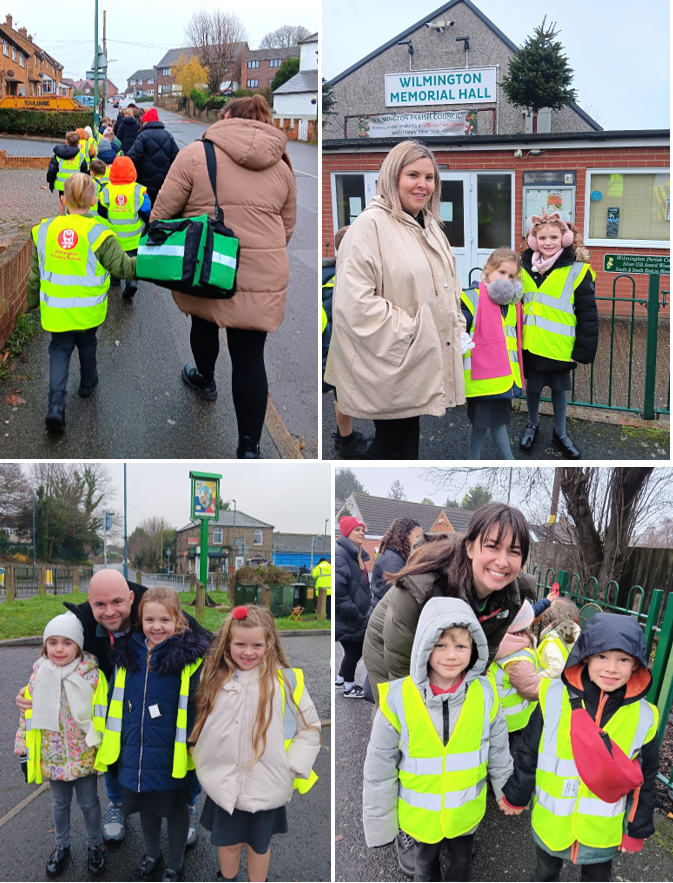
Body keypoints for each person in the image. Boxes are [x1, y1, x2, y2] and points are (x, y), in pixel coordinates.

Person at [15, 569, 212, 849]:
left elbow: (214, 647)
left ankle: (187, 805)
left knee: (180, 751)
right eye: (100, 605)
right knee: (113, 749)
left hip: (167, 700)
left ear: (132, 598)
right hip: (114, 700)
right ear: (90, 603)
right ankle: (117, 804)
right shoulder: (81, 621)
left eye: (117, 602)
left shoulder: (159, 610)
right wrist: (30, 691)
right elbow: (54, 657)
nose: (109, 611)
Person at [150, 94, 296, 459]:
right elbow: (287, 227)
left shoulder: (197, 154)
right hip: (262, 272)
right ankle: (249, 448)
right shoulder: (282, 167)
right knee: (250, 357)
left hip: (209, 264)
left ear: (228, 117)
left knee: (204, 320)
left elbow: (161, 216)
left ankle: (205, 379)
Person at [324, 139, 467, 459]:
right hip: (392, 358)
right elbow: (354, 304)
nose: (423, 185)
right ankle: (348, 453)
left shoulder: (430, 226)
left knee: (404, 442)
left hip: (416, 359)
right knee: (396, 444)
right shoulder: (369, 227)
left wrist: (457, 323)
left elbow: (449, 285)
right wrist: (417, 332)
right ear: (392, 177)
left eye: (429, 177)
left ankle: (350, 452)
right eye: (413, 175)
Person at [501, 612, 660, 882]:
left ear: (636, 665)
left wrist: (636, 829)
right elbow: (529, 751)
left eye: (623, 659)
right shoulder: (552, 697)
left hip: (601, 831)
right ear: (585, 656)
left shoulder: (645, 716)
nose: (611, 668)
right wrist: (516, 795)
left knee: (597, 877)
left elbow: (646, 778)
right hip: (553, 822)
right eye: (602, 657)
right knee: (545, 873)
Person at [363, 597, 513, 882]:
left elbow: (499, 751)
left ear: (474, 649)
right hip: (420, 818)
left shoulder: (485, 694)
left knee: (462, 865)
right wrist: (381, 824)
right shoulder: (398, 699)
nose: (451, 655)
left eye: (461, 646)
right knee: (425, 868)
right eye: (440, 645)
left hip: (465, 814)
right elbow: (379, 769)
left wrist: (508, 793)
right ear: (424, 647)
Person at [190, 605, 321, 883]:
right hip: (225, 784)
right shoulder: (214, 678)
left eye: (256, 645)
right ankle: (228, 878)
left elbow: (309, 727)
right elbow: (202, 720)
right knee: (227, 841)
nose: (248, 652)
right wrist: (198, 753)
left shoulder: (285, 682)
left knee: (259, 844)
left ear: (269, 643)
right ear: (228, 643)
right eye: (240, 644)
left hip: (268, 783)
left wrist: (292, 766)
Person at [94, 587, 211, 882]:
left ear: (179, 622)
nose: (156, 627)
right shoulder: (128, 657)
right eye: (149, 620)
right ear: (140, 621)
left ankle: (174, 864)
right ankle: (152, 856)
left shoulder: (189, 659)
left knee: (175, 808)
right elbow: (111, 701)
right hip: (135, 750)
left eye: (164, 620)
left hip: (173, 752)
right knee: (146, 806)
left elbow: (203, 702)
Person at [27, 173, 137, 431]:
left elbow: (35, 274)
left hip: (57, 313)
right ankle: (88, 384)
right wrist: (153, 262)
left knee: (59, 351)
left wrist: (33, 301)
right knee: (88, 344)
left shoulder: (44, 230)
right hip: (88, 312)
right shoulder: (99, 233)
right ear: (95, 200)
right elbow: (123, 267)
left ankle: (56, 406)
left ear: (63, 199)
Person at [14, 613, 106, 877]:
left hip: (84, 755)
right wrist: (23, 749)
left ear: (78, 646)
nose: (59, 649)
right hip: (52, 755)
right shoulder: (38, 676)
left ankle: (94, 845)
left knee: (89, 803)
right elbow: (27, 717)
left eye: (67, 643)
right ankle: (61, 846)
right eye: (52, 642)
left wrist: (105, 749)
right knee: (59, 804)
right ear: (45, 647)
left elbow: (103, 714)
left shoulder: (92, 676)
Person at [519, 211, 598, 459]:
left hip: (560, 347)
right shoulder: (522, 269)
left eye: (554, 236)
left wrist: (584, 349)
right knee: (532, 389)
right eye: (541, 237)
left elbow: (587, 314)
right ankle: (532, 424)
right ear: (533, 241)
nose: (548, 242)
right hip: (531, 345)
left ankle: (560, 432)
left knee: (559, 392)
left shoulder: (578, 271)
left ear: (565, 238)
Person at [460, 248, 525, 460]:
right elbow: (458, 329)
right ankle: (489, 460)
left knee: (495, 424)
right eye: (501, 272)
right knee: (484, 425)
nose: (506, 279)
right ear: (487, 270)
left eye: (511, 276)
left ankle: (474, 459)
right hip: (481, 380)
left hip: (503, 379)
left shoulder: (513, 305)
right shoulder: (472, 298)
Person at [488, 599, 541, 745]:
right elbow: (533, 690)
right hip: (512, 722)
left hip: (495, 714)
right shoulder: (518, 658)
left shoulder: (494, 643)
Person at [97, 155, 151, 300]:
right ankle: (131, 281)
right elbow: (146, 212)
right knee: (132, 259)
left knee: (115, 258)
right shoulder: (138, 190)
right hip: (133, 237)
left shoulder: (106, 190)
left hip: (114, 236)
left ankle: (115, 279)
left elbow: (101, 212)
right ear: (132, 171)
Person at [334, 516, 371, 698]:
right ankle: (349, 687)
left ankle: (341, 678)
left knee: (353, 651)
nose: (362, 532)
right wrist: (356, 614)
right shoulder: (341, 554)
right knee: (354, 651)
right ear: (347, 533)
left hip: (357, 616)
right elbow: (338, 591)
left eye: (363, 529)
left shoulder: (357, 554)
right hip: (350, 617)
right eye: (357, 530)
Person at [126, 107, 180, 205]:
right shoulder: (168, 135)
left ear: (146, 122)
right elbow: (177, 158)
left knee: (146, 208)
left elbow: (131, 158)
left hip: (144, 182)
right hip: (164, 182)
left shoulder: (142, 136)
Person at [369, 518, 422, 615]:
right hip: (383, 619)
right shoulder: (392, 561)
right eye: (418, 537)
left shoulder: (397, 557)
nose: (421, 541)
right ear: (404, 536)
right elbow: (396, 596)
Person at [536, 596, 581, 678]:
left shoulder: (552, 640)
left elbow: (556, 669)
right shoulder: (575, 633)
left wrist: (537, 677)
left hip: (550, 686)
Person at [46, 131, 88, 216]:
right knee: (72, 200)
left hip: (62, 184)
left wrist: (50, 181)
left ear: (66, 141)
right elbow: (84, 170)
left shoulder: (58, 155)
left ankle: (61, 216)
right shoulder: (80, 156)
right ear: (78, 143)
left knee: (62, 199)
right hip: (74, 183)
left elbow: (52, 169)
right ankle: (71, 216)